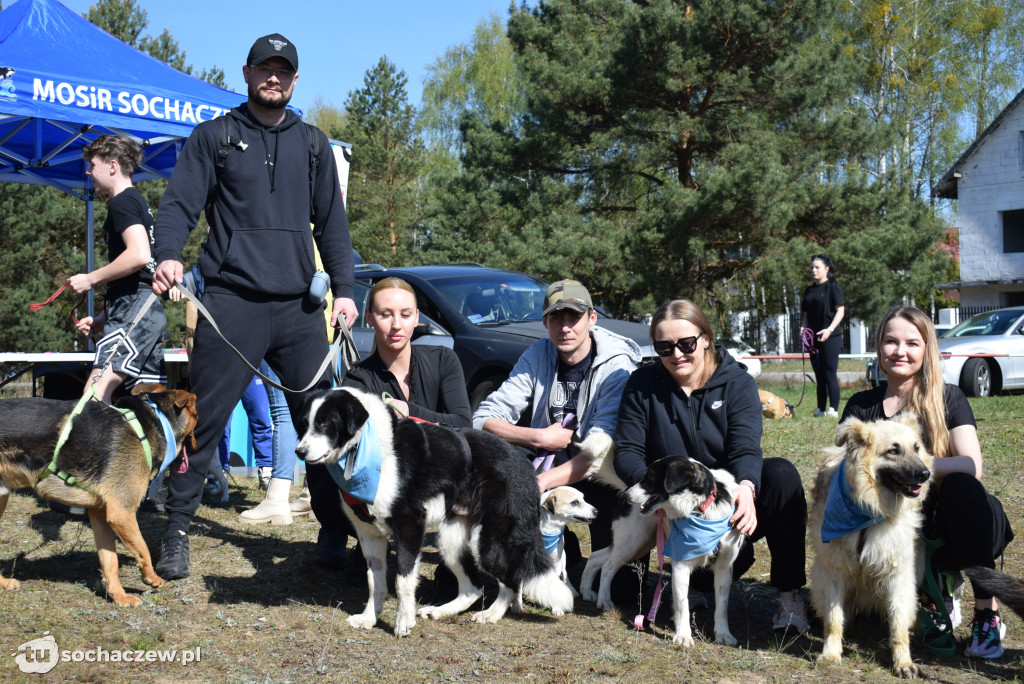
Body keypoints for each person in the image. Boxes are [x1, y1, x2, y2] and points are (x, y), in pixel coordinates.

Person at [150, 33, 357, 580]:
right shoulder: (214, 136)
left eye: (283, 70)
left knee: (321, 423)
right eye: (264, 68)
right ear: (246, 74)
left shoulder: (314, 144)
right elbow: (178, 206)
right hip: (230, 302)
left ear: (294, 80)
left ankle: (334, 532)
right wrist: (167, 255)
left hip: (298, 310)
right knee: (203, 420)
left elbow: (333, 227)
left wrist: (347, 293)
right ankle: (175, 530)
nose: (274, 77)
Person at [614, 299, 810, 633]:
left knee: (781, 475)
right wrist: (657, 495)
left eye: (686, 344)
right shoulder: (643, 385)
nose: (676, 354)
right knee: (623, 593)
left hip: (725, 508)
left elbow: (746, 447)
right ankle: (695, 585)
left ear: (705, 338)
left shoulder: (737, 383)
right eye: (664, 347)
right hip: (674, 509)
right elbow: (627, 451)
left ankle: (790, 595)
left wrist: (747, 487)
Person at [842, 305, 1014, 659]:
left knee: (964, 487)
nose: (900, 351)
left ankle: (986, 612)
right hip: (885, 528)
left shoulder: (948, 398)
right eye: (891, 341)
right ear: (879, 346)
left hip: (951, 522)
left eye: (911, 343)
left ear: (927, 349)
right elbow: (840, 473)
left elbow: (971, 464)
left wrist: (916, 467)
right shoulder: (862, 406)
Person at [473, 279, 642, 590]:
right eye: (556, 318)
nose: (565, 327)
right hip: (546, 456)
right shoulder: (537, 355)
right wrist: (539, 438)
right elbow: (484, 419)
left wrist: (540, 484)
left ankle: (578, 556)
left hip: (597, 470)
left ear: (592, 318)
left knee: (624, 590)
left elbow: (600, 450)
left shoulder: (617, 366)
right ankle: (549, 552)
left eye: (573, 317)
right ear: (545, 322)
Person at [311, 278, 472, 568]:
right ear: (370, 318)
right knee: (326, 491)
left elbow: (463, 424)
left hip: (438, 476)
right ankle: (361, 536)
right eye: (385, 314)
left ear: (417, 319)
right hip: (384, 485)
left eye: (405, 314)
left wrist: (408, 411)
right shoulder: (358, 379)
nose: (396, 324)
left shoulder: (443, 359)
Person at [71, 134, 166, 403]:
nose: (88, 171)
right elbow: (141, 273)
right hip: (144, 310)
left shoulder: (122, 202)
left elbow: (138, 255)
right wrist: (103, 318)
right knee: (149, 406)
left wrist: (91, 278)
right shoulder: (136, 201)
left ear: (112, 166)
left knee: (93, 397)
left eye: (93, 164)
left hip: (136, 309)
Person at [801, 254, 845, 418]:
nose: (813, 270)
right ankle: (820, 408)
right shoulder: (809, 290)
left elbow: (840, 310)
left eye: (817, 267)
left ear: (826, 269)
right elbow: (806, 314)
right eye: (812, 267)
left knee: (829, 372)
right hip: (814, 337)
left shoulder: (833, 287)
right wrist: (803, 329)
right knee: (818, 373)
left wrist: (829, 330)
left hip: (831, 337)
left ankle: (833, 409)